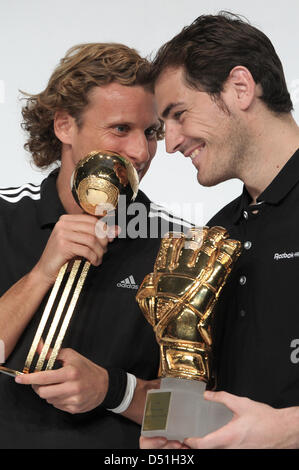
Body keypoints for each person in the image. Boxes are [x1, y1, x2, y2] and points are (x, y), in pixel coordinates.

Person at [0, 43, 192, 449]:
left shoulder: (181, 245)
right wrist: (41, 273)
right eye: (121, 129)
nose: (141, 153)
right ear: (65, 126)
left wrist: (113, 391)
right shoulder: (4, 216)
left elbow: (195, 415)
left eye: (151, 132)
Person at [140, 12, 299, 449]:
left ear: (240, 88)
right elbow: (184, 365)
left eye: (178, 114)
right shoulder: (216, 232)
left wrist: (287, 432)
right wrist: (163, 428)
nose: (169, 143)